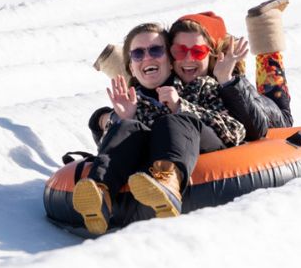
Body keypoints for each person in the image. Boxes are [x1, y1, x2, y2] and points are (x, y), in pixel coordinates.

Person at [72, 23, 246, 234]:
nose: (147, 58)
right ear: (131, 67)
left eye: (155, 50)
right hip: (145, 173)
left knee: (173, 121)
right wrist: (121, 119)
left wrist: (181, 106)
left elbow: (235, 130)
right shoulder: (131, 103)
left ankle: (168, 182)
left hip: (205, 150)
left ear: (171, 62)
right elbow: (110, 152)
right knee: (127, 127)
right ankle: (99, 194)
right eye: (138, 54)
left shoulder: (201, 86)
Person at [171, 2, 293, 142]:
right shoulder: (168, 81)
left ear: (213, 53)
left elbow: (257, 130)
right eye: (179, 51)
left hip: (269, 116)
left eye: (198, 52)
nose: (188, 58)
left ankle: (266, 22)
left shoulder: (231, 79)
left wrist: (226, 80)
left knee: (281, 108)